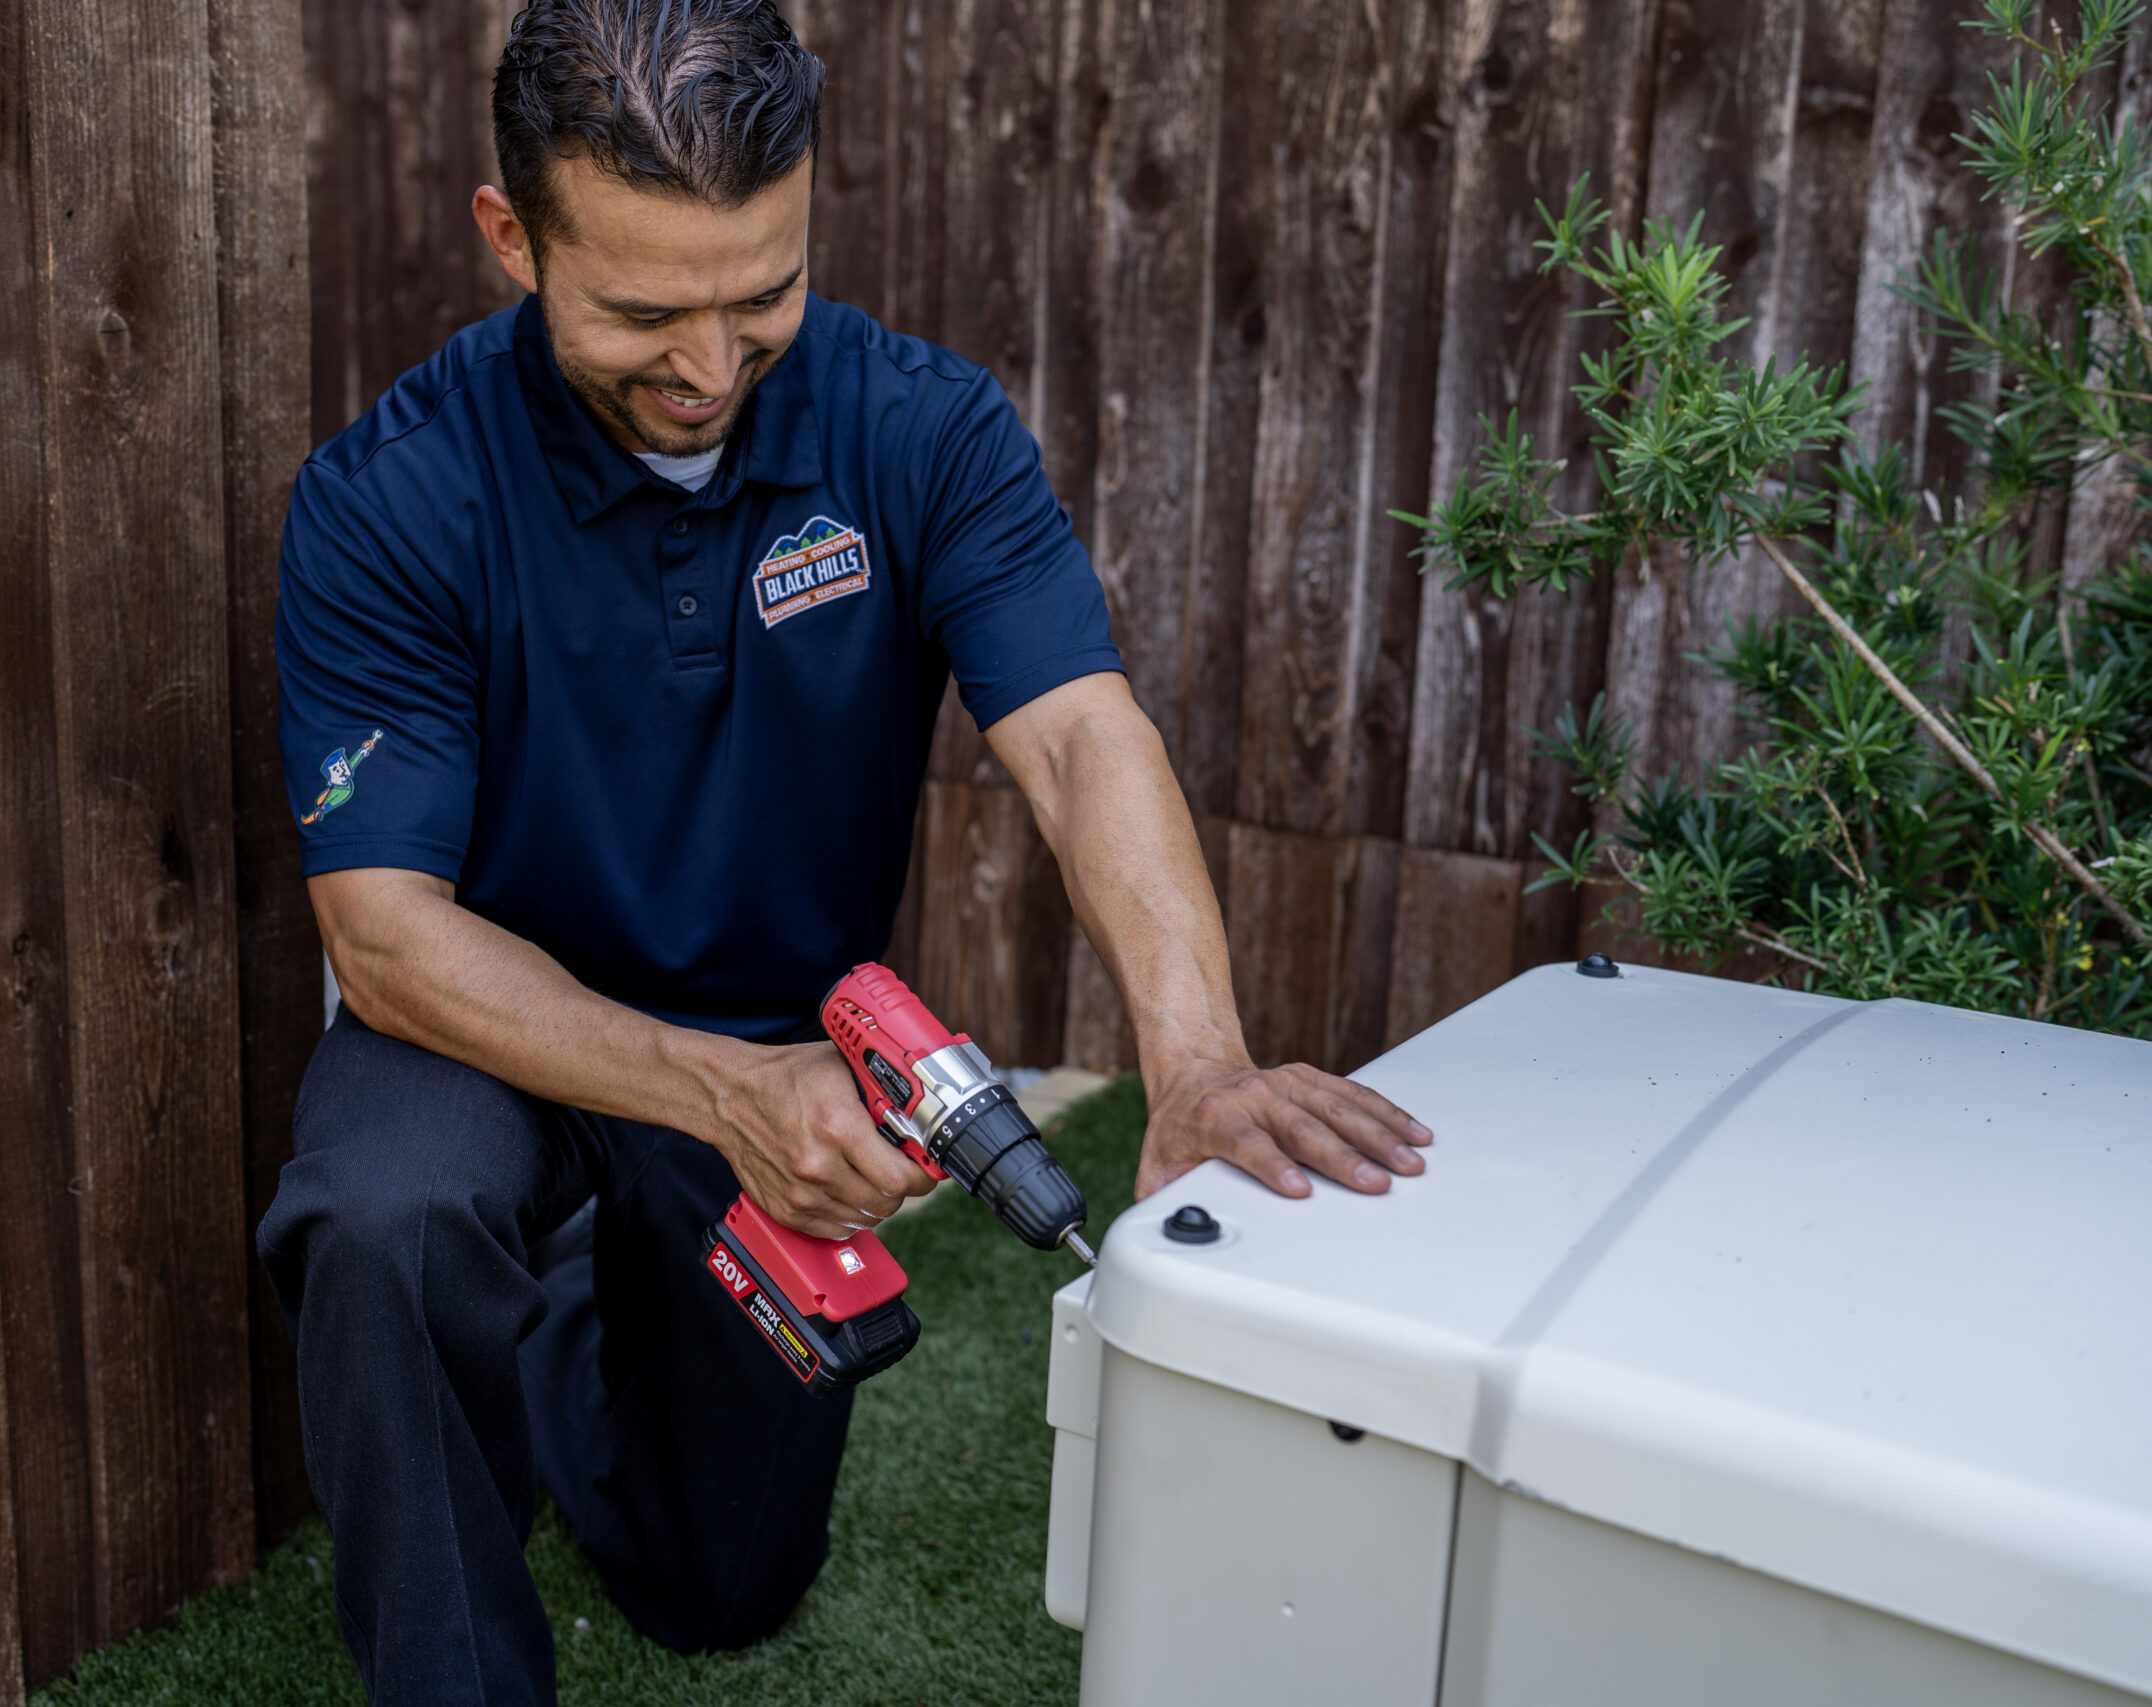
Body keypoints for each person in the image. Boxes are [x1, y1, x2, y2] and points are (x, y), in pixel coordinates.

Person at [259, 2, 1433, 1700]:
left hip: (786, 1051)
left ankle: (579, 1322)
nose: (713, 366)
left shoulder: (923, 429)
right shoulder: (389, 500)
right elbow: (383, 937)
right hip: (485, 1031)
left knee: (719, 1591)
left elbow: (1084, 733)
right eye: (647, 310)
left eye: (763, 294)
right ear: (513, 239)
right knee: (389, 1210)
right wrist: (711, 1092)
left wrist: (1193, 1061)